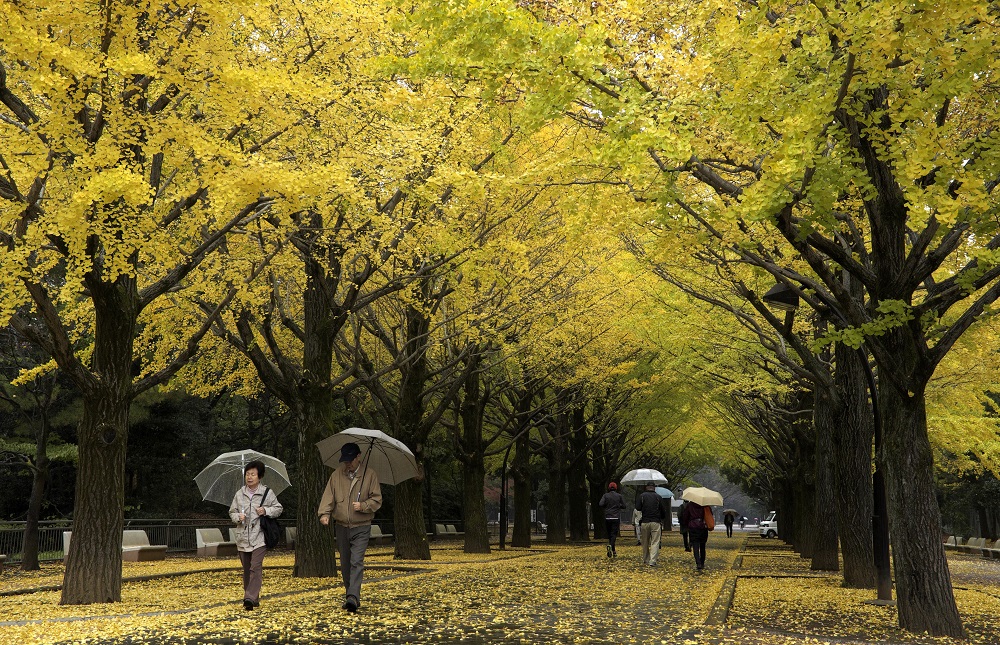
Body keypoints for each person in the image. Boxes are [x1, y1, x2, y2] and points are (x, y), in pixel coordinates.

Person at [318, 442, 382, 613]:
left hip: (361, 526)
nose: (347, 464)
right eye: (344, 460)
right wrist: (324, 514)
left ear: (358, 457)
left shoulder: (370, 475)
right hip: (341, 526)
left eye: (350, 460)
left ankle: (353, 596)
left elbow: (377, 500)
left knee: (356, 561)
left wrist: (363, 505)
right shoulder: (336, 475)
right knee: (345, 564)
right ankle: (350, 595)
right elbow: (328, 496)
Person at [229, 459, 283, 610]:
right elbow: (231, 512)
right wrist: (237, 517)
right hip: (242, 537)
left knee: (255, 566)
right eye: (247, 474)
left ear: (259, 476)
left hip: (259, 536)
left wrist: (265, 511)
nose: (249, 477)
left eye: (253, 474)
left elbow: (278, 508)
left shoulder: (267, 492)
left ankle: (249, 597)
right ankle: (253, 598)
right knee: (247, 570)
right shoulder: (240, 494)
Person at [635, 483, 669, 566]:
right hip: (656, 522)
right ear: (654, 488)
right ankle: (652, 560)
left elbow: (638, 507)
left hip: (645, 522)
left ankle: (646, 559)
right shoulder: (658, 497)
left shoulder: (642, 496)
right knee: (655, 542)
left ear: (646, 487)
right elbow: (663, 510)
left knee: (645, 542)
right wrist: (661, 518)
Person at [598, 482, 625, 558]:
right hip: (616, 517)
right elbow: (624, 506)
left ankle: (613, 551)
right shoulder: (619, 496)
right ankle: (610, 546)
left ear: (609, 488)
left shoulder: (605, 495)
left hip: (608, 517)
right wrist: (618, 505)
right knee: (614, 534)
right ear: (616, 488)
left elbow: (600, 504)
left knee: (610, 534)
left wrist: (607, 506)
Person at [681, 499, 709, 571]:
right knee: (702, 546)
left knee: (695, 545)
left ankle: (698, 563)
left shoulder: (690, 505)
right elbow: (709, 515)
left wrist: (686, 524)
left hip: (693, 527)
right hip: (703, 527)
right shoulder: (705, 505)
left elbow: (685, 516)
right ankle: (702, 562)